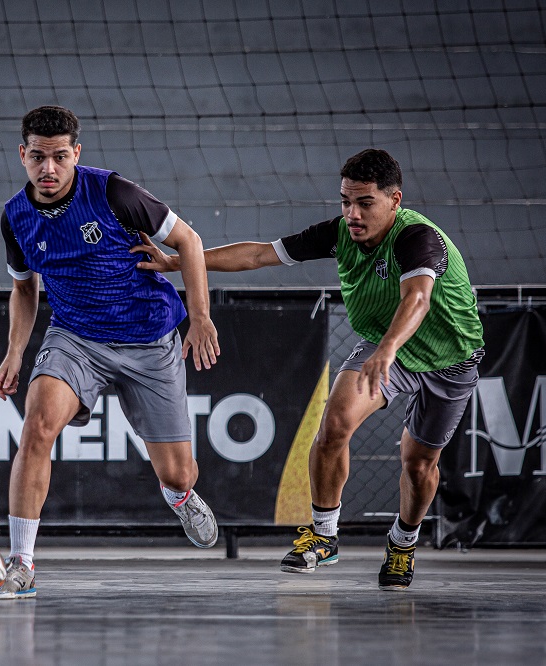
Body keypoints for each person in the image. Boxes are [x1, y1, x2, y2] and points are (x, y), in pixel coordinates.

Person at [135, 149, 484, 590]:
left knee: (418, 464)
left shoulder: (417, 239)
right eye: (345, 201)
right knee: (334, 423)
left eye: (365, 203)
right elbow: (259, 255)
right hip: (383, 345)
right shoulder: (339, 234)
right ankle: (323, 535)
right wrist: (178, 261)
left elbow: (417, 298)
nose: (352, 214)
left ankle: (402, 543)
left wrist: (389, 349)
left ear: (395, 200)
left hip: (448, 358)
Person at [0, 105, 222, 599]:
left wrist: (200, 317)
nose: (48, 169)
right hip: (75, 338)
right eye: (37, 157)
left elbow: (190, 240)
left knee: (179, 471)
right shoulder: (16, 216)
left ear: (76, 153)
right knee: (36, 425)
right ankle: (22, 564)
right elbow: (24, 289)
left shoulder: (113, 192)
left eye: (59, 157)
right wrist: (15, 351)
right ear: (22, 156)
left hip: (148, 338)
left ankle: (178, 495)